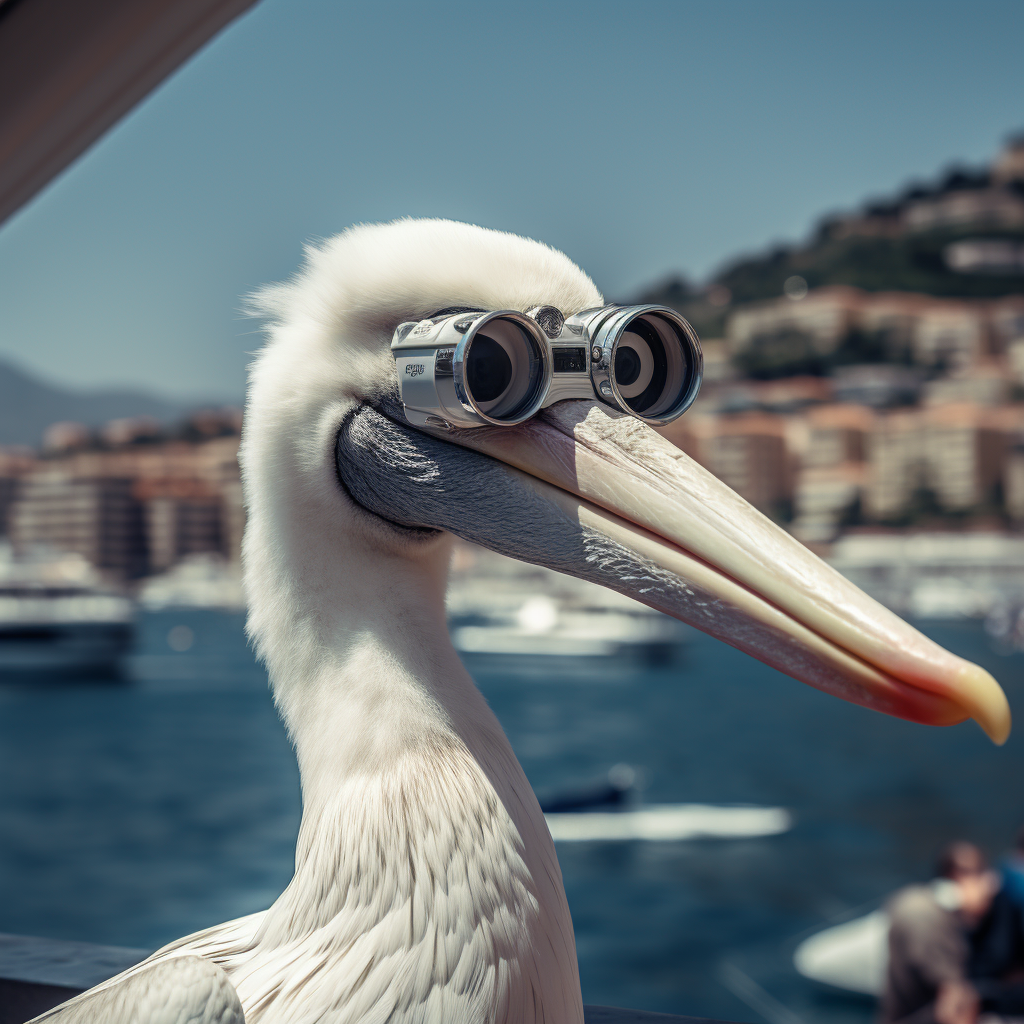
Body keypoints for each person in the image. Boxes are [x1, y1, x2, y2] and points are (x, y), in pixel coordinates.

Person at [880, 843, 999, 1024]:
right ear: (958, 878)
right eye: (979, 873)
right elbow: (954, 1006)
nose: (990, 883)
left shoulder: (914, 900)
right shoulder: (929, 919)